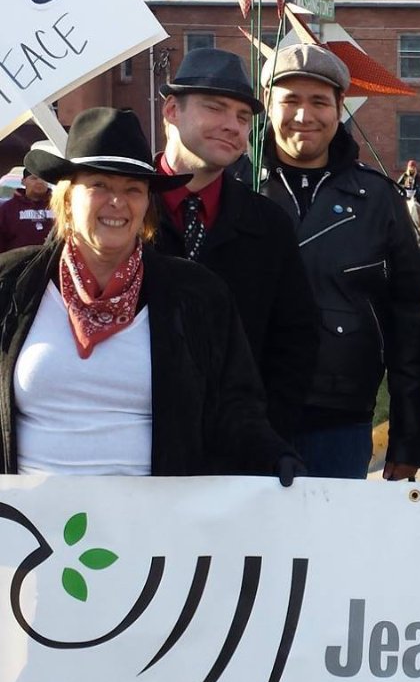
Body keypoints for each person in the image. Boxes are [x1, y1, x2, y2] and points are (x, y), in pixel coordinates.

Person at [0, 107, 300, 481]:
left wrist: (272, 456)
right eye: (100, 185)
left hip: (149, 528)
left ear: (147, 206)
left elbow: (235, 406)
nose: (117, 202)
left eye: (133, 190)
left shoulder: (197, 294)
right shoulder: (10, 283)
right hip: (29, 527)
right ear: (67, 198)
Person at [260, 43, 420, 480]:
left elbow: (408, 325)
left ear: (340, 107)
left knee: (330, 548)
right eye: (290, 100)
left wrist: (408, 438)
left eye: (319, 101)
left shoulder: (378, 199)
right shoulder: (236, 187)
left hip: (339, 421)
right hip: (246, 417)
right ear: (267, 104)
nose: (304, 115)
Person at [155, 47, 317, 442]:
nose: (232, 125)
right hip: (136, 452)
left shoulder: (268, 224)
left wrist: (265, 435)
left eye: (243, 117)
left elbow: (295, 341)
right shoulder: (122, 212)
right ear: (172, 110)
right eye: (215, 108)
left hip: (239, 454)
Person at [0, 167, 53, 251]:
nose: (39, 181)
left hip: (53, 261)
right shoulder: (8, 208)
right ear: (23, 181)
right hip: (19, 261)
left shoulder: (59, 206)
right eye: (34, 178)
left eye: (43, 178)